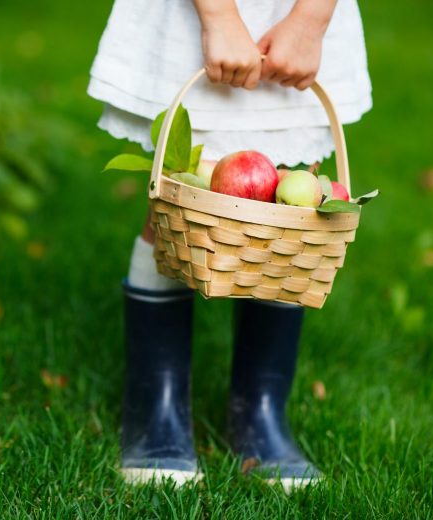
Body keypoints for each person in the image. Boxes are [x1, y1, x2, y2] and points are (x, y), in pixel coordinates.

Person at [88, 0, 372, 489]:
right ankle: (156, 408)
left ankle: (258, 413)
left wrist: (310, 20)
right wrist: (218, 16)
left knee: (287, 216)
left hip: (298, 20)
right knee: (182, 207)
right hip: (198, 15)